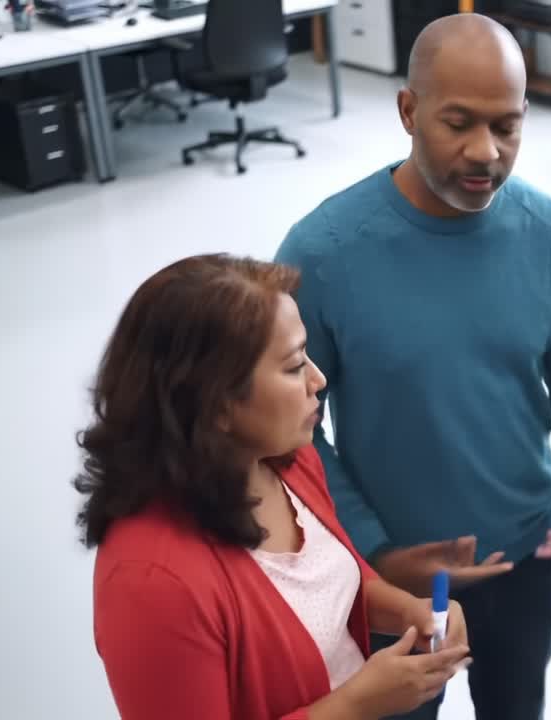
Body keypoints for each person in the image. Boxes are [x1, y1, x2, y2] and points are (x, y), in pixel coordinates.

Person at [275, 13, 551, 720]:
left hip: (525, 561)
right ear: (408, 111)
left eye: (507, 127)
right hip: (391, 576)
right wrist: (374, 553)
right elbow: (296, 436)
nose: (486, 152)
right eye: (459, 123)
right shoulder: (324, 252)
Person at [76, 254, 472, 720]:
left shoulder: (289, 460)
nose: (318, 380)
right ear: (214, 403)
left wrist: (408, 610)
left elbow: (325, 583)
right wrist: (354, 706)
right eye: (293, 366)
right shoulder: (152, 584)